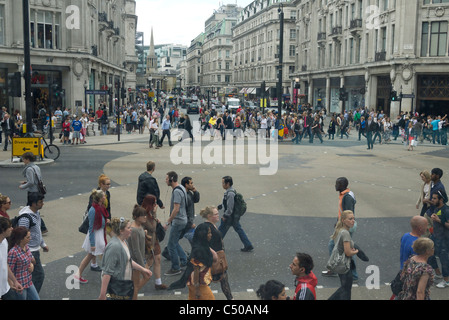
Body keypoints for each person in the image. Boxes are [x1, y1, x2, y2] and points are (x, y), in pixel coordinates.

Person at [98, 217, 152, 300]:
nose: (131, 229)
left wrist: (143, 269)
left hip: (122, 284)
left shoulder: (124, 242)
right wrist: (102, 295)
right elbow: (107, 272)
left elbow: (128, 260)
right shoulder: (114, 247)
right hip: (115, 287)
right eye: (128, 228)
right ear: (121, 231)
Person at [323, 177, 357, 278]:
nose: (335, 185)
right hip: (342, 225)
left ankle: (353, 275)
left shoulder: (347, 197)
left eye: (337, 184)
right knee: (337, 246)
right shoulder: (345, 195)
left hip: (345, 227)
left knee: (344, 249)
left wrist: (343, 227)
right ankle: (334, 269)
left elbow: (349, 214)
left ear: (342, 185)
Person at [17, 193, 48, 293]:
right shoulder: (25, 218)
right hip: (31, 251)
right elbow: (21, 238)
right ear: (34, 203)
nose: (43, 204)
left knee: (30, 275)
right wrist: (28, 254)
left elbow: (37, 230)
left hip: (34, 249)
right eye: (40, 202)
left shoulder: (36, 212)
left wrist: (42, 244)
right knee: (39, 275)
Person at [76, 190, 109, 284]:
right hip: (96, 236)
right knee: (94, 255)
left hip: (99, 234)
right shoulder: (93, 210)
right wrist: (93, 244)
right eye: (104, 196)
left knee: (92, 255)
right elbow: (91, 228)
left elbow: (100, 221)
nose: (105, 197)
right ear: (100, 198)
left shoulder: (100, 207)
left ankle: (78, 274)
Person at [328, 210, 359, 300]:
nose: (353, 221)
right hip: (345, 266)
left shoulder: (340, 231)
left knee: (345, 289)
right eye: (350, 219)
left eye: (353, 218)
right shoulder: (345, 233)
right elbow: (348, 253)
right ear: (344, 220)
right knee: (346, 290)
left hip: (340, 265)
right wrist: (356, 251)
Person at [218, 176, 253, 252]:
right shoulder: (231, 191)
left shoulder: (230, 193)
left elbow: (230, 208)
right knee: (239, 230)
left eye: (223, 183)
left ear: (227, 183)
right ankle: (248, 244)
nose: (222, 184)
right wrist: (220, 206)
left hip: (229, 217)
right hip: (234, 217)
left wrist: (225, 216)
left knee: (220, 231)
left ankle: (214, 246)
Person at [164, 171, 188, 276]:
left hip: (178, 221)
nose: (165, 180)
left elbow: (176, 209)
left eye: (166, 178)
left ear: (171, 179)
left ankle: (175, 268)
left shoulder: (176, 192)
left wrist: (168, 222)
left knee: (171, 245)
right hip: (183, 219)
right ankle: (184, 259)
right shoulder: (181, 187)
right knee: (175, 242)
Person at [141, 195, 167, 290]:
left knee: (158, 259)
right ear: (149, 204)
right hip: (148, 241)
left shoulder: (150, 211)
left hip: (154, 240)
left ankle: (158, 282)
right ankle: (137, 283)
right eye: (154, 203)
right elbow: (152, 227)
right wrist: (155, 216)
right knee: (150, 261)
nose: (156, 205)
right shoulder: (143, 213)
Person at [18, 152, 48, 234]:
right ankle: (42, 227)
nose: (23, 160)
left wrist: (23, 186)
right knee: (33, 209)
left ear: (27, 159)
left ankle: (41, 227)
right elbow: (37, 179)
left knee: (31, 209)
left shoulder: (29, 169)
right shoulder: (36, 167)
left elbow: (31, 182)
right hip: (38, 190)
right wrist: (26, 182)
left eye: (24, 159)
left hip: (32, 191)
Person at [7, 227, 40, 300]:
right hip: (20, 284)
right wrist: (12, 284)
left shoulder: (26, 247)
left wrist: (31, 265)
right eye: (28, 237)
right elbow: (9, 270)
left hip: (28, 281)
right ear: (21, 239)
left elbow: (33, 260)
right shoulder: (13, 252)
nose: (30, 238)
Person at [186, 223, 217, 300]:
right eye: (209, 233)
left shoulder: (203, 246)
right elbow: (196, 270)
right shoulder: (199, 251)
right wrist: (197, 289)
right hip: (198, 284)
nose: (211, 235)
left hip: (195, 283)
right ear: (203, 234)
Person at [128, 205, 151, 300]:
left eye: (145, 215)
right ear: (136, 217)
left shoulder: (140, 227)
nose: (145, 217)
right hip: (136, 261)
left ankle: (132, 293)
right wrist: (142, 266)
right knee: (143, 279)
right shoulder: (134, 230)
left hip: (140, 259)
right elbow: (136, 250)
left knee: (136, 284)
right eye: (142, 215)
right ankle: (131, 294)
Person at [428, 190, 449, 288]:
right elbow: (437, 216)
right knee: (428, 255)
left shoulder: (447, 210)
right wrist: (434, 217)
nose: (432, 200)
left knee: (444, 259)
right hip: (435, 237)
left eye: (435, 198)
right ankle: (438, 273)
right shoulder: (437, 208)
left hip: (444, 239)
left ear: (441, 199)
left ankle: (446, 280)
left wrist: (439, 220)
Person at [0, 217, 23, 299]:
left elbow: (4, 264)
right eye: (9, 227)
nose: (12, 229)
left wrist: (14, 281)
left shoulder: (4, 242)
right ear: (3, 230)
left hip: (5, 288)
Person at [181, 176, 200, 244]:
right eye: (191, 183)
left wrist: (195, 192)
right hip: (186, 223)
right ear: (186, 185)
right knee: (195, 242)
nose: (192, 185)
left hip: (187, 222)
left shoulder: (189, 193)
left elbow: (196, 200)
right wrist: (190, 223)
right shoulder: (184, 195)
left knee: (175, 239)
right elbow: (185, 211)